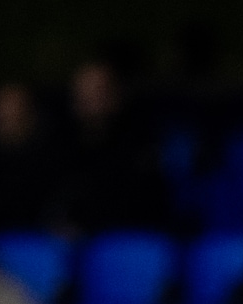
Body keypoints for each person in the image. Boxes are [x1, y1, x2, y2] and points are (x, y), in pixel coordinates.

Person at [54, 62, 170, 235]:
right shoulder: (59, 146)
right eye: (81, 92)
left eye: (97, 91)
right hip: (73, 242)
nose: (87, 99)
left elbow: (141, 206)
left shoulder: (140, 145)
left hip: (127, 240)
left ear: (116, 95)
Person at [0, 84, 56, 233]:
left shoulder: (51, 156)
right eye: (3, 106)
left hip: (39, 235)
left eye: (17, 106)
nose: (9, 113)